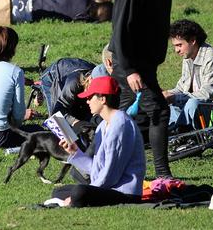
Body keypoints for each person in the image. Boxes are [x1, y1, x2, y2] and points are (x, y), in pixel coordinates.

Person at [110, 0, 176, 179]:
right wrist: (129, 70)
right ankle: (163, 173)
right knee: (159, 111)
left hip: (148, 62)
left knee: (120, 119)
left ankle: (89, 166)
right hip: (130, 63)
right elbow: (120, 31)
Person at [53, 76, 146, 207]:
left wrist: (90, 189)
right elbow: (97, 169)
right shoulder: (103, 126)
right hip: (109, 187)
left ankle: (77, 199)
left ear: (102, 99)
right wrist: (75, 152)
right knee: (58, 191)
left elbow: (111, 175)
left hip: (125, 192)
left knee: (79, 193)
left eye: (90, 97)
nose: (87, 101)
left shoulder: (120, 124)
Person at [163, 19, 213, 130]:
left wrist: (174, 97)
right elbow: (182, 88)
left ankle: (178, 131)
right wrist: (164, 95)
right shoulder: (188, 57)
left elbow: (206, 94)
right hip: (204, 106)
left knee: (192, 103)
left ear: (192, 41)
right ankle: (172, 130)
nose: (176, 50)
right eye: (175, 46)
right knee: (170, 105)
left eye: (179, 45)